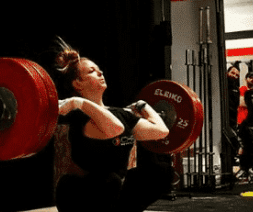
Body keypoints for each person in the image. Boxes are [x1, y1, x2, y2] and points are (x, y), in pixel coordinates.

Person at [54, 37, 173, 212]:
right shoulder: (79, 114)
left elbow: (161, 131)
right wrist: (77, 103)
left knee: (162, 171)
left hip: (113, 191)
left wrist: (143, 105)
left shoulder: (121, 113)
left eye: (100, 70)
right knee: (109, 181)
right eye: (92, 72)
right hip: (80, 193)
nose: (101, 73)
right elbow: (116, 128)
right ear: (77, 83)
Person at [227, 66, 240, 130]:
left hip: (232, 121)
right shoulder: (221, 85)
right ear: (227, 73)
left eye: (237, 75)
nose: (234, 76)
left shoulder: (236, 89)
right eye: (232, 73)